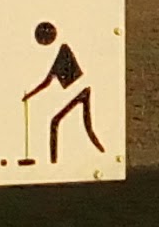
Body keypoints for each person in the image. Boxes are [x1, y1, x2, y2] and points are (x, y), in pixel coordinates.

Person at [17, 21, 101, 167]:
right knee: (58, 122)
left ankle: (54, 161)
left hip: (80, 91)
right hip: (79, 90)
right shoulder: (62, 51)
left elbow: (47, 82)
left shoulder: (62, 52)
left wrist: (29, 95)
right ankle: (54, 160)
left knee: (55, 121)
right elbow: (48, 82)